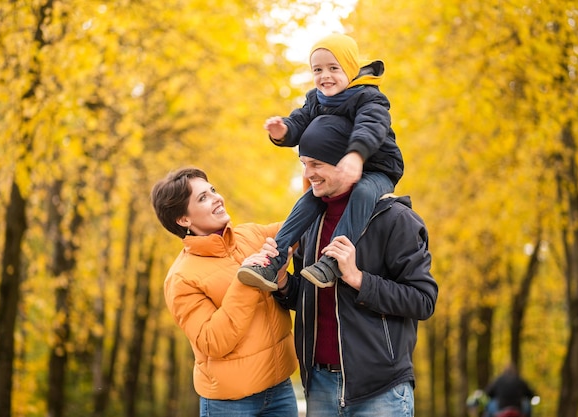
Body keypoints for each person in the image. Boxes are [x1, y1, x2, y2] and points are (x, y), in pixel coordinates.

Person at [244, 115, 438, 416]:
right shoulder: (309, 221)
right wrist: (283, 283)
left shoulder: (396, 220)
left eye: (316, 164)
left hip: (381, 391)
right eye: (304, 163)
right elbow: (305, 298)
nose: (308, 174)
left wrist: (358, 278)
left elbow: (423, 301)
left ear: (343, 162)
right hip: (319, 385)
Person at [237, 33, 404, 292]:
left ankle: (333, 261)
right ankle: (273, 261)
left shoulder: (368, 97)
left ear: (349, 68)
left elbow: (370, 127)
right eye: (318, 69)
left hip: (377, 168)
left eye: (333, 68)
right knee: (307, 201)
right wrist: (283, 132)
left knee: (362, 192)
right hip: (338, 171)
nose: (325, 75)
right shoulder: (316, 99)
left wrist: (356, 155)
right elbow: (299, 120)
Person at [150, 167, 298, 417]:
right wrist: (247, 279)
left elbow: (301, 227)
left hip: (280, 391)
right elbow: (213, 341)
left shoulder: (250, 235)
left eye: (213, 191)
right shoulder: (181, 278)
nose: (217, 198)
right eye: (203, 198)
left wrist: (317, 178)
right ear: (183, 219)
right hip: (231, 405)